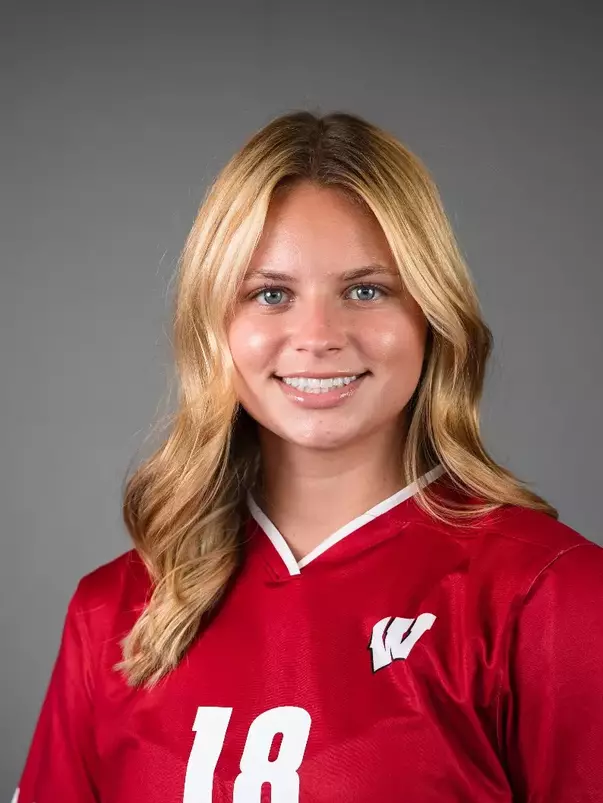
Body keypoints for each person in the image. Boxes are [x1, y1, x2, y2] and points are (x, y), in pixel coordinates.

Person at [13, 111, 603, 803]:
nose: (318, 335)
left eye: (366, 290)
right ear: (213, 325)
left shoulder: (549, 597)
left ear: (432, 315)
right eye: (271, 294)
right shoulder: (116, 611)